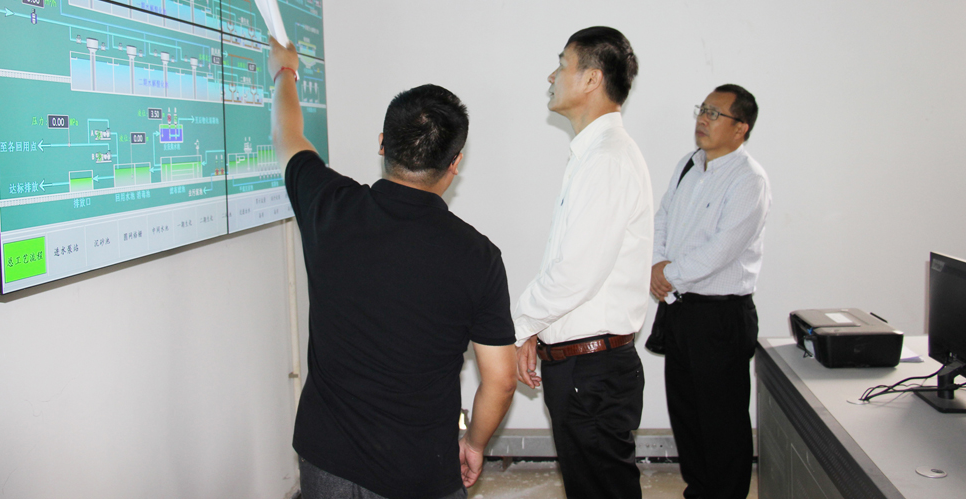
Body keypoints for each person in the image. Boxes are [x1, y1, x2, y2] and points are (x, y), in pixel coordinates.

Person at [268, 38, 517, 499]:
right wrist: (475, 443)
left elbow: (288, 135)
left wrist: (285, 72)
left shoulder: (329, 205)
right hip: (420, 470)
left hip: (327, 462)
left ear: (382, 144)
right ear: (455, 164)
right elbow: (501, 379)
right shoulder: (479, 257)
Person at [513, 26, 653, 499]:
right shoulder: (593, 155)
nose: (551, 76)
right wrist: (537, 329)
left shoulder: (606, 159)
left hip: (592, 373)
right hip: (584, 369)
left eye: (562, 64)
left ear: (592, 79)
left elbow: (575, 274)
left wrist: (518, 326)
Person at [650, 84, 771, 499]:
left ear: (741, 128)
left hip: (721, 317)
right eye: (702, 110)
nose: (703, 119)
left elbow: (722, 248)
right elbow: (662, 217)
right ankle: (698, 491)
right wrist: (657, 263)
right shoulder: (688, 164)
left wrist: (669, 275)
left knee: (722, 422)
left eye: (715, 114)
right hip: (681, 310)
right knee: (687, 414)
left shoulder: (749, 179)